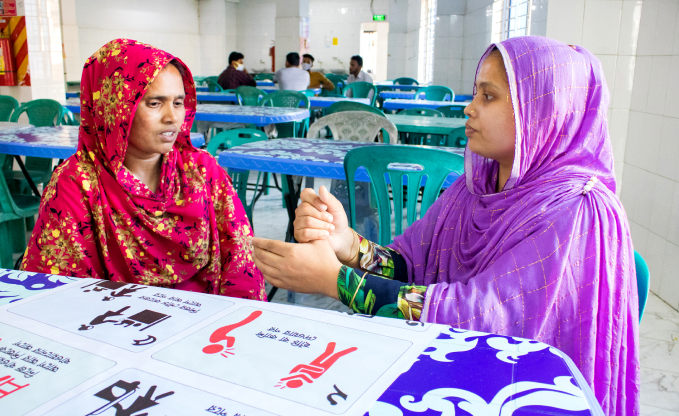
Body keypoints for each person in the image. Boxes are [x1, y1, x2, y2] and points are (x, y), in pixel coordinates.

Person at [250, 36, 640, 414]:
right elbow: (408, 265)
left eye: (488, 96)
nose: (469, 108)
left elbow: (481, 320)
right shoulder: (477, 188)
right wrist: (348, 244)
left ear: (544, 112)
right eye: (475, 93)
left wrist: (335, 280)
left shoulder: (577, 211)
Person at [21, 39, 266, 301]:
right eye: (154, 103)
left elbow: (241, 261)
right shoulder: (78, 183)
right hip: (113, 327)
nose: (172, 117)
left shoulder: (202, 171)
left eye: (179, 102)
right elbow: (59, 292)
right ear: (115, 107)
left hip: (207, 324)